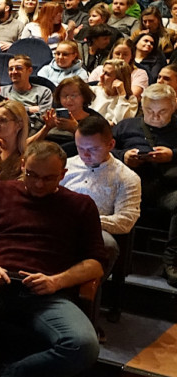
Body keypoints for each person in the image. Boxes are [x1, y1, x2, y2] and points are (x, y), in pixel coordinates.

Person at [0, 141, 106, 377]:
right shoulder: (0, 191)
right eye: (31, 175)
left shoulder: (80, 205)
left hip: (47, 292)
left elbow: (96, 262)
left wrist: (57, 281)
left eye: (48, 178)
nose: (38, 184)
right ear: (22, 166)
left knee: (84, 345)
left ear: (63, 174)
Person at [112, 84, 177, 283]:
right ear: (142, 106)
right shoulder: (126, 126)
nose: (155, 116)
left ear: (173, 107)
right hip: (126, 186)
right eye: (149, 110)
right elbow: (103, 149)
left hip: (166, 188)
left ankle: (171, 260)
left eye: (162, 111)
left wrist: (173, 155)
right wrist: (124, 156)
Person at [61, 117, 141, 274]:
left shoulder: (126, 177)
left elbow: (125, 221)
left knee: (107, 245)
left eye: (93, 149)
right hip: (57, 221)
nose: (85, 155)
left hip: (96, 229)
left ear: (110, 145)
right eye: (80, 148)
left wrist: (87, 221)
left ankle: (86, 291)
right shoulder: (64, 165)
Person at [90, 59, 139, 125]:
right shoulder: (93, 91)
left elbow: (120, 123)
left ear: (119, 79)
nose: (101, 76)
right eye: (103, 72)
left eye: (107, 74)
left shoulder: (131, 100)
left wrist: (122, 96)